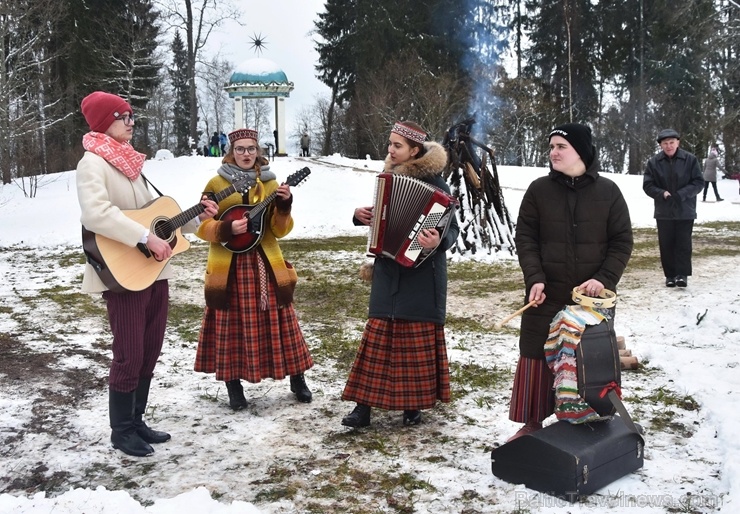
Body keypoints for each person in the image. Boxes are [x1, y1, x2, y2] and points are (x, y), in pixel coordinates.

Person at [76, 91, 219, 457]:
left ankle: (136, 420)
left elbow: (158, 221)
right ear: (104, 121)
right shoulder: (93, 163)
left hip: (153, 273)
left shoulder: (131, 165)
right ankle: (121, 431)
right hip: (123, 275)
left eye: (131, 115)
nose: (131, 122)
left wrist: (197, 219)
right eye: (123, 116)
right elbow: (96, 215)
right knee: (129, 352)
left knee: (150, 349)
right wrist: (144, 237)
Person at [510, 123, 633, 441]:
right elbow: (525, 238)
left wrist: (602, 279)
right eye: (551, 146)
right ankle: (533, 423)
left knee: (586, 358)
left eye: (560, 146)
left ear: (581, 150)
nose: (553, 152)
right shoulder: (539, 190)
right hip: (546, 292)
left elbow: (622, 242)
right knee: (536, 351)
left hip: (589, 300)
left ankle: (586, 420)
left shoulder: (609, 192)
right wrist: (534, 278)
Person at [341, 121, 459, 428]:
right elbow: (380, 217)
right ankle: (362, 407)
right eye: (390, 144)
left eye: (397, 146)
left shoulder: (438, 185)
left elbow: (451, 229)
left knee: (414, 342)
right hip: (388, 271)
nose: (390, 150)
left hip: (423, 276)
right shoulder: (388, 179)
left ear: (415, 151)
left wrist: (439, 241)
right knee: (378, 338)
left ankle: (413, 406)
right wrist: (359, 216)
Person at [194, 128, 313, 410]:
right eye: (240, 149)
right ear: (231, 151)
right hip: (229, 267)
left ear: (258, 151)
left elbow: (279, 231)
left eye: (251, 149)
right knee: (230, 324)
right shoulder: (216, 183)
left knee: (281, 320)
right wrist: (225, 228)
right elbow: (201, 226)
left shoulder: (270, 184)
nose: (246, 154)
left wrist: (284, 207)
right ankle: (233, 386)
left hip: (265, 263)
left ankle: (298, 378)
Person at [643, 129, 704, 288]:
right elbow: (648, 185)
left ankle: (682, 275)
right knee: (667, 243)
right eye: (665, 143)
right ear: (661, 145)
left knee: (683, 244)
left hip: (685, 210)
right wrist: (662, 193)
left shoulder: (690, 160)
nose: (669, 146)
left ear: (678, 142)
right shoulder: (654, 162)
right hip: (664, 211)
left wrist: (681, 194)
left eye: (671, 142)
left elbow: (698, 183)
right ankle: (669, 275)